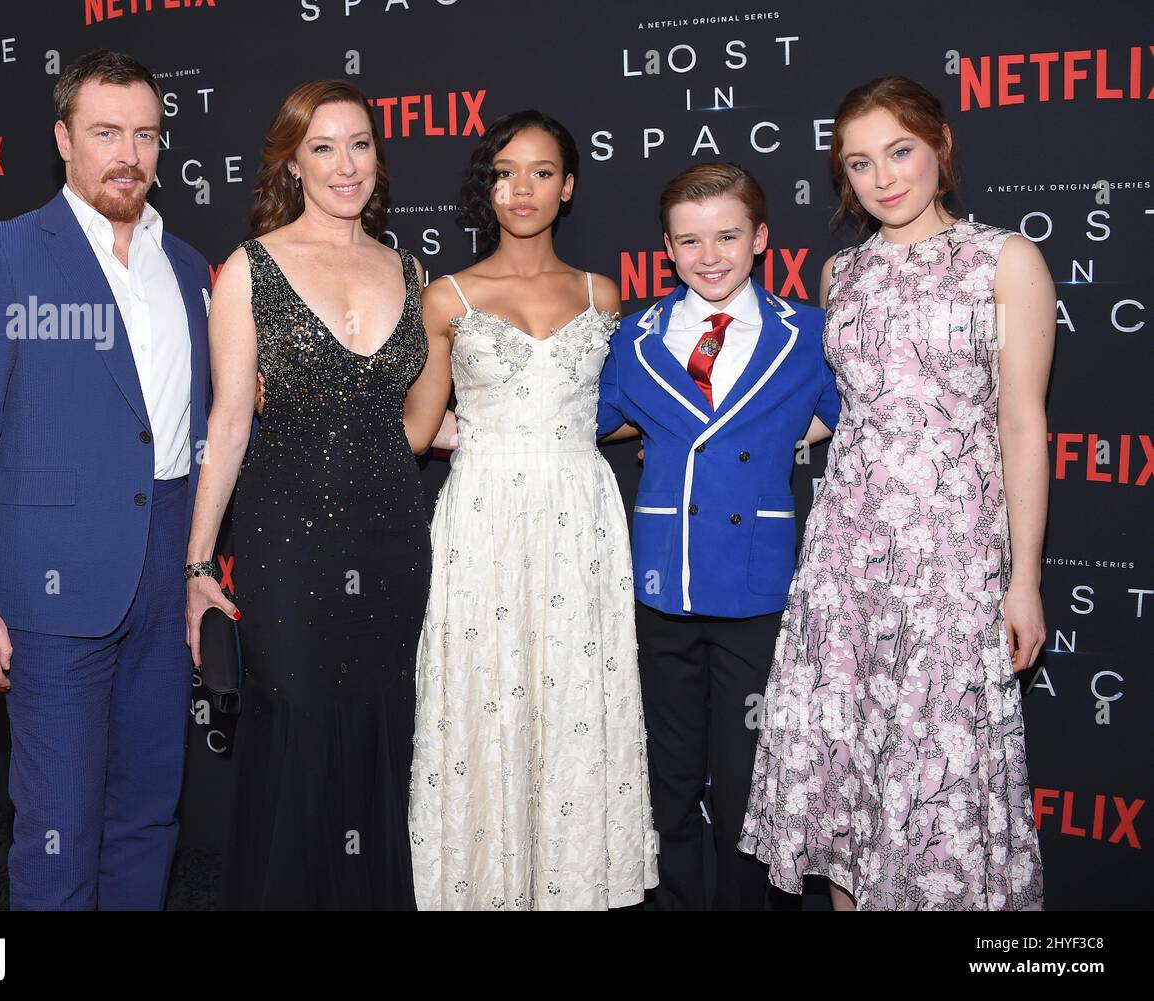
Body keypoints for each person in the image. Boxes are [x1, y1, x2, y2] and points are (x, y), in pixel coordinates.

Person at [739, 75, 1052, 911]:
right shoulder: (842, 272)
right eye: (861, 163)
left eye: (900, 151)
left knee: (936, 773)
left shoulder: (1005, 259)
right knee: (850, 773)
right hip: (847, 550)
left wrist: (1024, 579)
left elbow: (1023, 424)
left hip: (952, 553)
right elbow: (845, 414)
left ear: (940, 144)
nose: (885, 178)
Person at [0, 49, 211, 909]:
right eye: (105, 132)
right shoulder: (5, 254)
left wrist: (197, 569)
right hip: (50, 587)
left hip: (164, 567)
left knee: (148, 813)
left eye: (145, 135)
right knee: (57, 827)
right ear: (63, 139)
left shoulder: (192, 268)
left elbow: (214, 427)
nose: (128, 153)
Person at [185, 79, 449, 909]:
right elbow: (229, 425)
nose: (346, 165)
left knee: (384, 731)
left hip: (394, 534)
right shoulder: (250, 270)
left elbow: (419, 425)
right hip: (288, 537)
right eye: (324, 147)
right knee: (297, 729)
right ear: (293, 163)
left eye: (361, 144)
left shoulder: (411, 269)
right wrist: (197, 564)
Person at [407, 111, 657, 910]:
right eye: (507, 171)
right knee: (483, 693)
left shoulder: (601, 293)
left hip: (578, 514)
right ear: (490, 185)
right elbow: (417, 425)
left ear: (568, 186)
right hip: (483, 513)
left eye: (542, 171)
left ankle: (571, 883)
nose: (523, 188)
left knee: (575, 699)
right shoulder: (446, 295)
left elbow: (610, 407)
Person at [595, 163, 841, 909]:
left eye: (728, 236)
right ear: (667, 249)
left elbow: (844, 413)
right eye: (690, 241)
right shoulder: (634, 336)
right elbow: (583, 421)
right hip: (662, 585)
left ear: (760, 238)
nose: (711, 255)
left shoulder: (807, 332)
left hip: (757, 589)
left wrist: (777, 444)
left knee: (747, 780)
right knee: (666, 775)